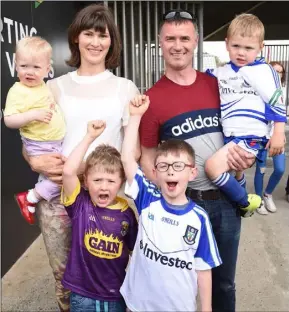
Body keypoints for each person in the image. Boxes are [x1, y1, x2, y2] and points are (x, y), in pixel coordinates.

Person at [23, 4, 139, 311]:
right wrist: (34, 162)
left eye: (103, 35)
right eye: (88, 33)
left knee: (111, 276)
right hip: (60, 196)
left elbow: (133, 149)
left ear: (112, 41)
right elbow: (32, 140)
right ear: (76, 38)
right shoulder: (54, 87)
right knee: (64, 279)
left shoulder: (124, 88)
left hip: (107, 199)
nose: (95, 42)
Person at [139, 9, 256, 312]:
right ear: (160, 43)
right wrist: (168, 197)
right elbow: (148, 158)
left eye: (184, 38)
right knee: (183, 282)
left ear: (196, 41)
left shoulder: (217, 84)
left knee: (224, 283)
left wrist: (246, 160)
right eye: (170, 39)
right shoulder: (153, 99)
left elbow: (245, 127)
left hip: (226, 202)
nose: (177, 45)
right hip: (185, 204)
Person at [120, 95, 221, 312]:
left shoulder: (199, 219)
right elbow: (127, 159)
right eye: (164, 166)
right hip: (137, 305)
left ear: (192, 172)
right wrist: (135, 116)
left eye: (178, 165)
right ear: (155, 173)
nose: (171, 170)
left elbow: (203, 269)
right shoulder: (147, 198)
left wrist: (206, 309)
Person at [205, 14, 286, 217]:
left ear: (260, 47)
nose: (241, 53)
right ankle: (241, 194)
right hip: (229, 135)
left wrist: (278, 133)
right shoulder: (221, 72)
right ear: (226, 44)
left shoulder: (263, 71)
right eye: (236, 46)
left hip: (251, 137)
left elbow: (276, 100)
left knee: (212, 168)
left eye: (248, 48)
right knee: (235, 171)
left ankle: (244, 203)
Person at [62, 120, 138, 312]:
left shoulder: (127, 215)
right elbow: (68, 171)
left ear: (120, 183)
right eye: (97, 180)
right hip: (82, 295)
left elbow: (136, 255)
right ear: (86, 182)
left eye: (111, 181)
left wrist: (134, 294)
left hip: (115, 295)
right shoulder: (81, 205)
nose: (104, 186)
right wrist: (89, 137)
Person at [3, 36, 66, 225]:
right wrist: (33, 115)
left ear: (48, 69)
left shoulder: (42, 86)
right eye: (24, 66)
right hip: (40, 144)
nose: (29, 72)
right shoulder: (17, 91)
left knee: (64, 177)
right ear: (15, 65)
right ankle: (30, 197)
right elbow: (9, 120)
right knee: (64, 176)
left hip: (55, 142)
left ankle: (34, 197)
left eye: (36, 67)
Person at [254, 61, 287, 214]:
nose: (277, 74)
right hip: (262, 136)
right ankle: (259, 199)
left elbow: (281, 116)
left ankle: (268, 194)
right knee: (260, 170)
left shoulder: (283, 90)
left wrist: (279, 135)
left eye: (280, 72)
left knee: (280, 169)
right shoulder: (258, 89)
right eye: (274, 71)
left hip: (276, 137)